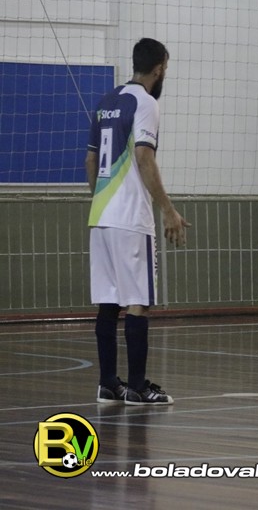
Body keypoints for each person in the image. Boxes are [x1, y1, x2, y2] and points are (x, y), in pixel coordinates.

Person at [86, 38, 189, 405]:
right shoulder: (145, 103)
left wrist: (103, 200)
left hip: (100, 216)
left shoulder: (106, 101)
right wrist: (168, 209)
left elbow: (90, 160)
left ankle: (108, 384)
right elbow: (145, 158)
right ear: (159, 68)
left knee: (108, 301)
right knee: (138, 302)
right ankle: (138, 387)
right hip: (131, 218)